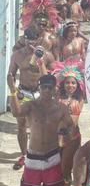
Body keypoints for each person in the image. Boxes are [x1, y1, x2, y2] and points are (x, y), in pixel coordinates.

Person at [7, 73, 74, 186]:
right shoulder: (31, 105)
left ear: (54, 89)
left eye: (49, 87)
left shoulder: (61, 108)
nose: (46, 90)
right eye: (43, 86)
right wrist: (12, 89)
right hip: (33, 157)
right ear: (39, 87)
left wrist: (66, 134)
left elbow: (71, 127)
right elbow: (16, 112)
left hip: (52, 156)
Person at [7, 27, 55, 170]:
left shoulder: (46, 55)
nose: (30, 42)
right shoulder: (17, 55)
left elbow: (50, 78)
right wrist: (14, 91)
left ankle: (42, 153)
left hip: (40, 94)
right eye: (27, 39)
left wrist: (39, 59)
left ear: (38, 39)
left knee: (43, 124)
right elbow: (10, 75)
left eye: (33, 39)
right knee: (21, 126)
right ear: (24, 38)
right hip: (24, 92)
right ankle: (24, 155)